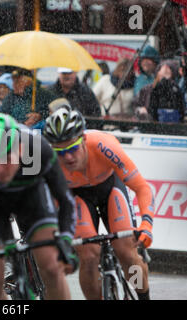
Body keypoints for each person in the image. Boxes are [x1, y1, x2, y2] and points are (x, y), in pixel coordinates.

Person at [0, 113, 78, 300]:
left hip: (30, 197)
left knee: (52, 268)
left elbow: (65, 200)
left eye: (5, 159)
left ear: (20, 148)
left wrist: (65, 241)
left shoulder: (37, 148)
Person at [43, 106, 153, 300]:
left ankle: (143, 295)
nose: (67, 157)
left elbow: (142, 188)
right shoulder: (49, 162)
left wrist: (146, 224)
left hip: (110, 188)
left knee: (126, 253)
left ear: (83, 140)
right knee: (88, 256)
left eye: (73, 148)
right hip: (77, 196)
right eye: (60, 151)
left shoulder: (104, 145)